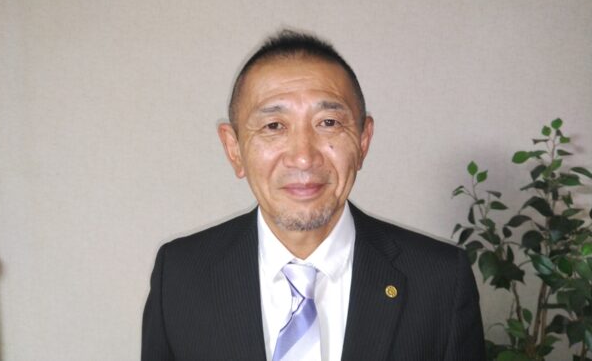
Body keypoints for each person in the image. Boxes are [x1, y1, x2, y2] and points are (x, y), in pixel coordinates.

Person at [141, 30, 486, 361]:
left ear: (363, 141)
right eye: (274, 126)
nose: (303, 157)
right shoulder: (181, 275)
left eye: (328, 123)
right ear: (234, 149)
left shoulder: (441, 280)